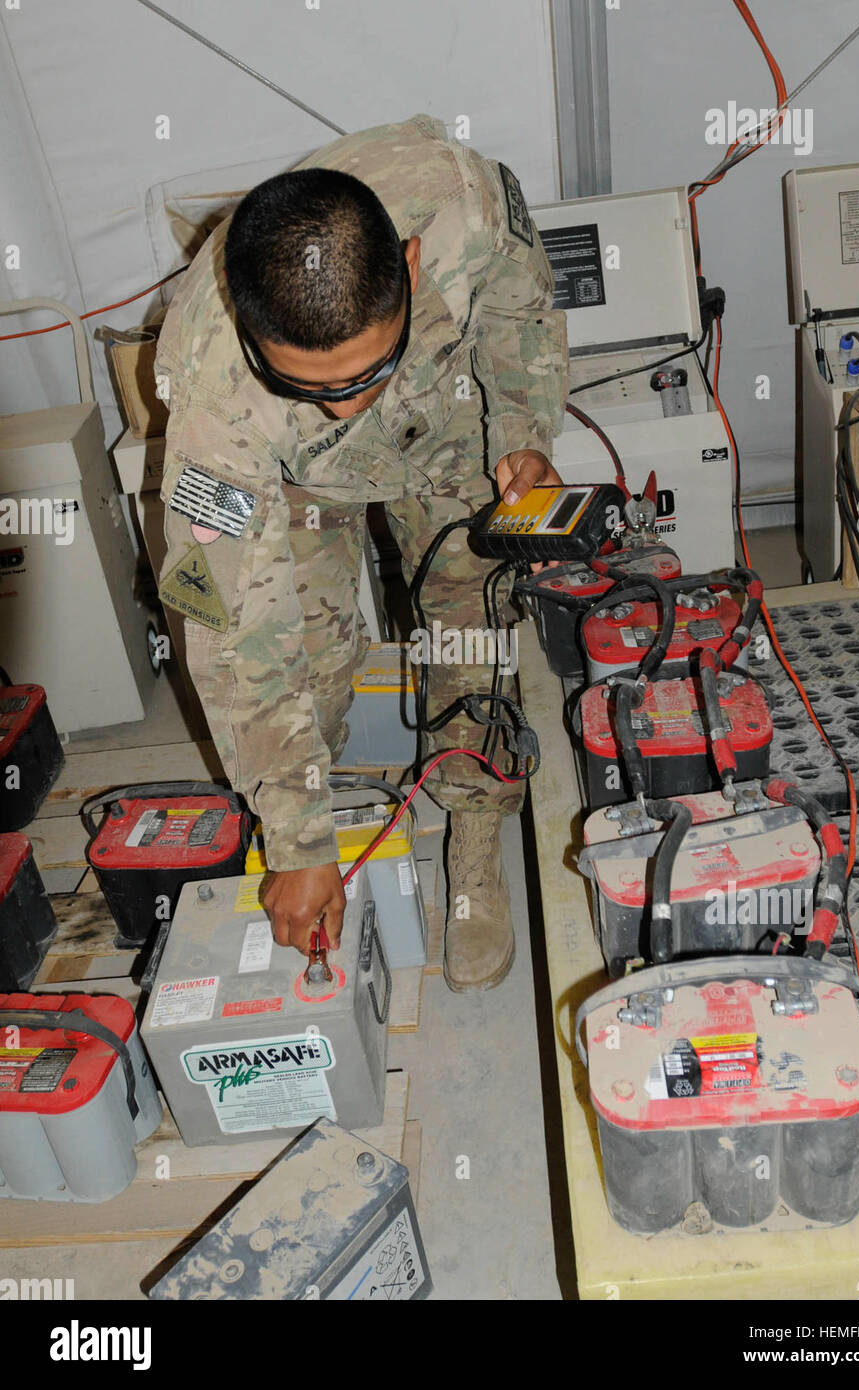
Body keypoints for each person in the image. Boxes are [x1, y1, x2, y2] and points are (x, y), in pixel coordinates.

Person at [155, 113, 567, 991]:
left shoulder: (466, 209)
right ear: (241, 317)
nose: (345, 406)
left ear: (413, 267)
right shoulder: (213, 399)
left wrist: (526, 433)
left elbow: (521, 317)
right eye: (310, 383)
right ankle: (321, 827)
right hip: (296, 479)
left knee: (469, 621)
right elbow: (228, 632)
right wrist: (294, 836)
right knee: (305, 657)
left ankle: (474, 824)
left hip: (444, 427)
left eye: (362, 372)